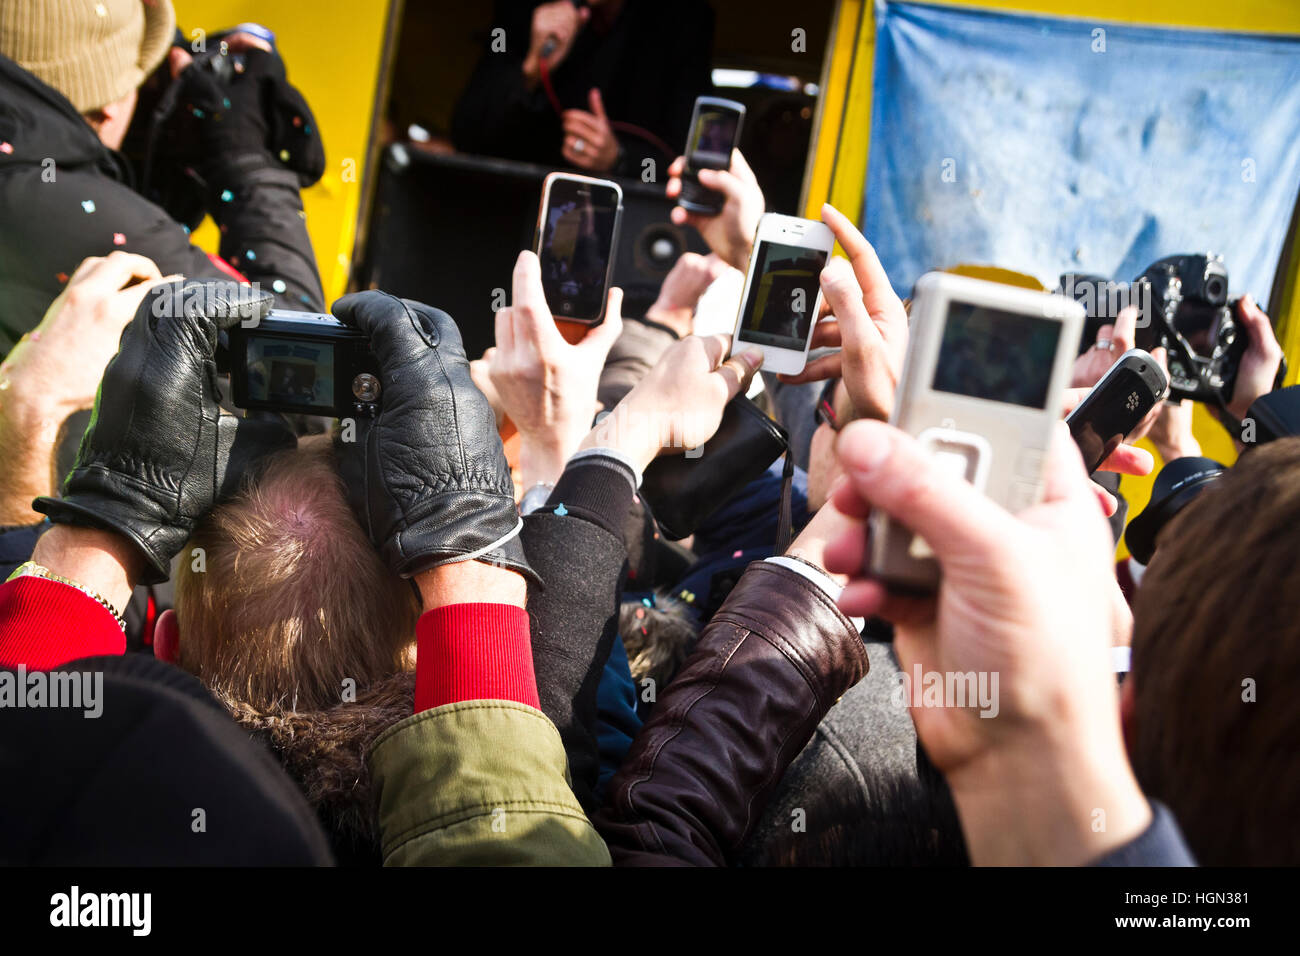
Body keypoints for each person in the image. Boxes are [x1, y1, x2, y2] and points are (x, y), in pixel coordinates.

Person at [0, 0, 325, 354]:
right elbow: (299, 357)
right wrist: (246, 162)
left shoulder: (30, 171)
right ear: (108, 101)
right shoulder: (69, 208)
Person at [452, 0, 712, 175]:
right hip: (517, 207)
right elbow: (468, 135)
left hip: (627, 221)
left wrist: (619, 158)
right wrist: (531, 70)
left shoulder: (683, 21)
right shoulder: (527, 9)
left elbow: (695, 167)